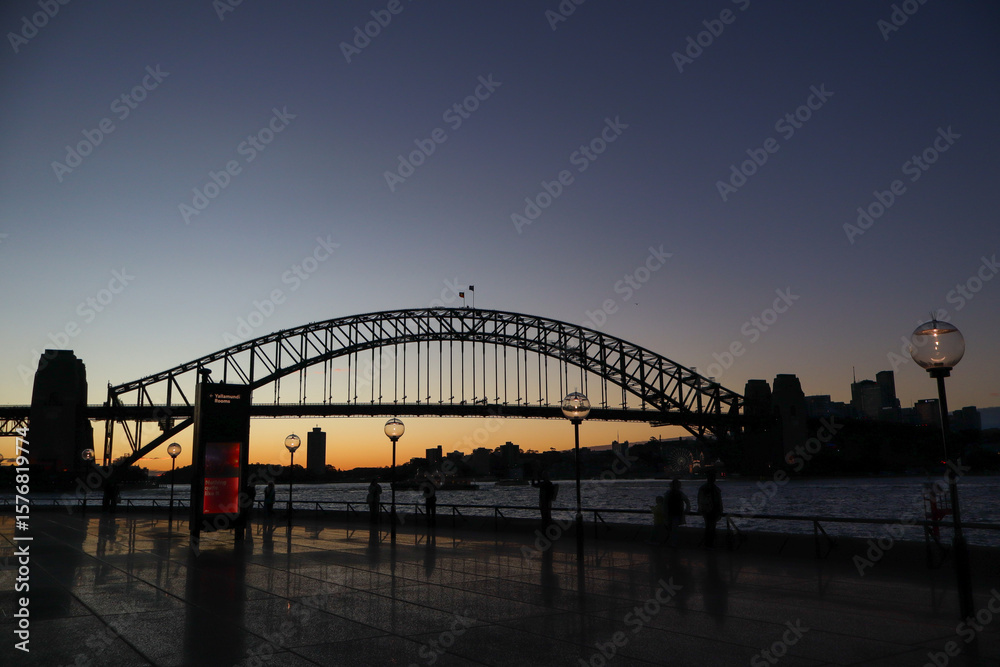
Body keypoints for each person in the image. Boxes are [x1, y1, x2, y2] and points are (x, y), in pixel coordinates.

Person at [697, 469, 723, 548]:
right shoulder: (716, 489)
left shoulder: (703, 488)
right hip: (713, 510)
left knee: (708, 526)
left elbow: (699, 499)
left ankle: (708, 543)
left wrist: (701, 508)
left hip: (707, 510)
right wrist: (720, 510)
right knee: (711, 527)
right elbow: (719, 501)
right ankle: (710, 543)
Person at [665, 478, 691, 547]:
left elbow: (665, 503)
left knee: (671, 528)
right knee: (673, 528)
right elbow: (687, 501)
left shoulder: (668, 493)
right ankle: (673, 542)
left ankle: (672, 542)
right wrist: (687, 510)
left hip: (672, 513)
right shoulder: (680, 493)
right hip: (676, 513)